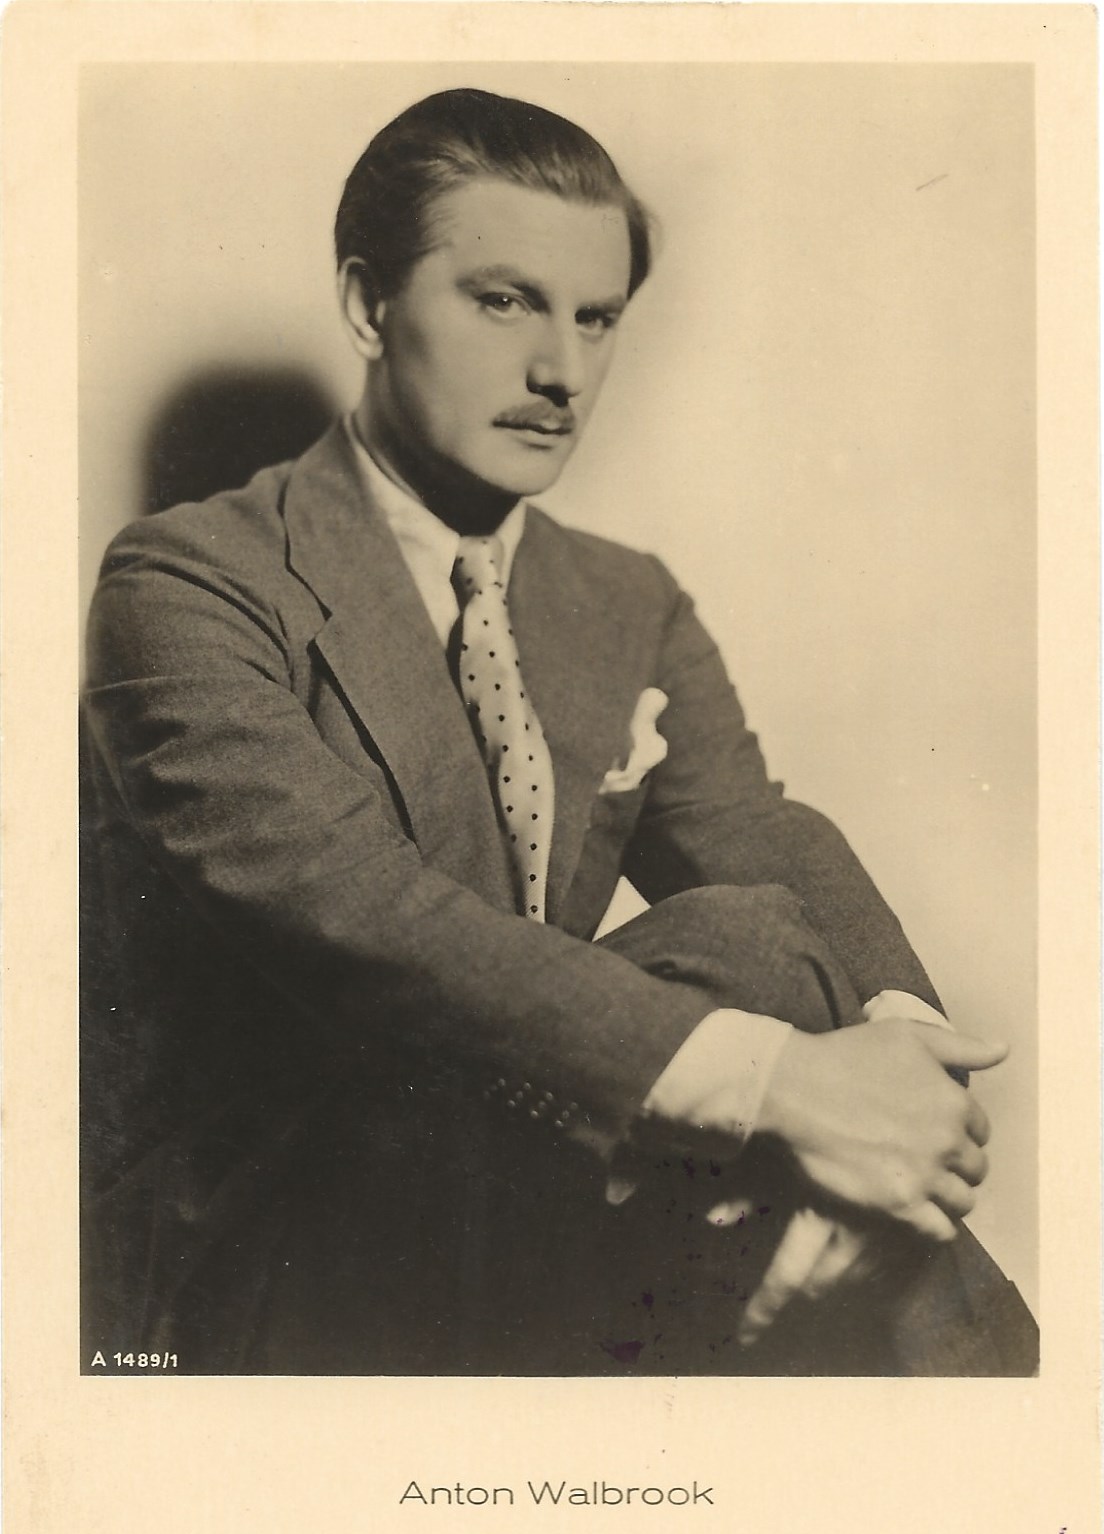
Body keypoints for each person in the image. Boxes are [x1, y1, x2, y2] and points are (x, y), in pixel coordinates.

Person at [80, 88, 1038, 1377]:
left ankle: (932, 1357)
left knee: (761, 934)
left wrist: (905, 1050)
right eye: (504, 301)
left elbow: (755, 831)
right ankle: (1006, 1418)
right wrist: (794, 1089)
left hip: (533, 1183)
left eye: (596, 318)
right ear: (368, 305)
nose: (561, 374)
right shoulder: (185, 583)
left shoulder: (623, 599)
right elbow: (367, 923)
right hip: (278, 1257)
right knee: (744, 957)